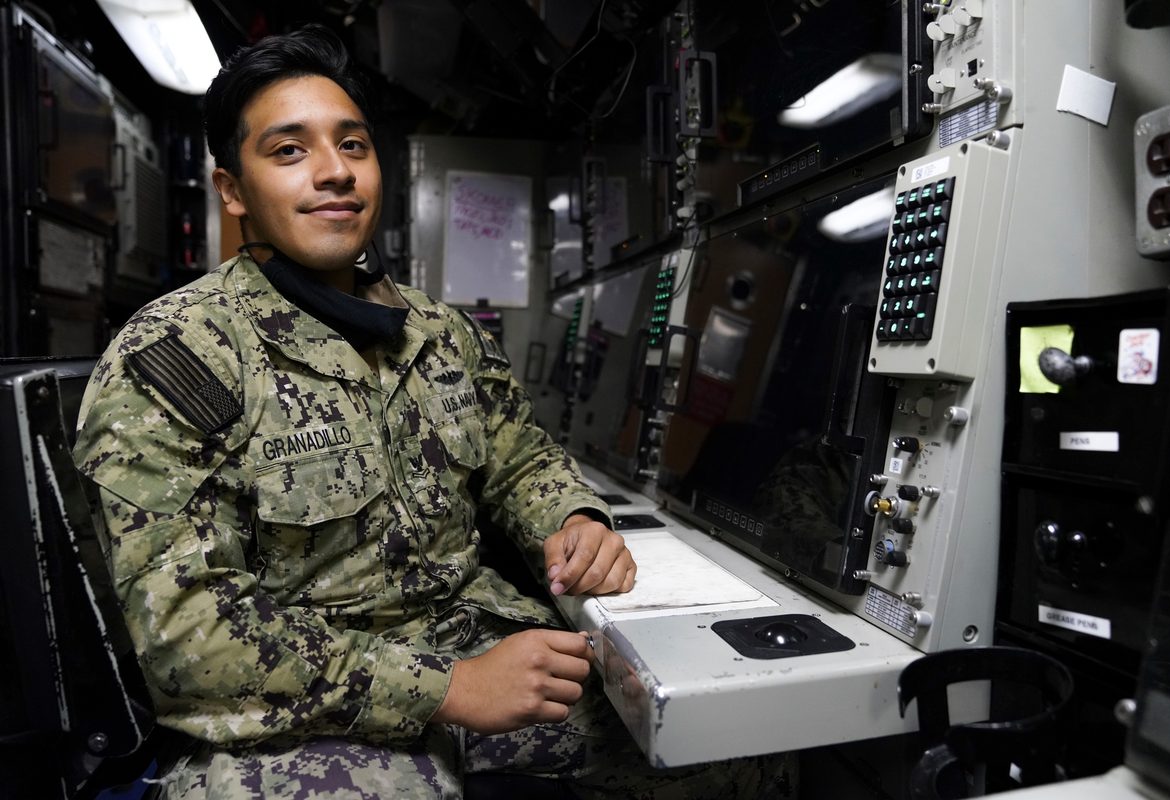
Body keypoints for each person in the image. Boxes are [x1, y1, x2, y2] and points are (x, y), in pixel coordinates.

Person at [74, 24, 795, 800]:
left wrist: (573, 519)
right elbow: (187, 634)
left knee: (733, 742)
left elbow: (518, 454)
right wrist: (444, 686)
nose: (333, 173)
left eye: (352, 146)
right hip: (296, 703)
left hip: (472, 636)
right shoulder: (179, 355)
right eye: (289, 152)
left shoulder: (438, 332)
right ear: (233, 191)